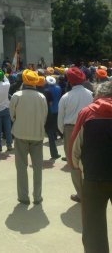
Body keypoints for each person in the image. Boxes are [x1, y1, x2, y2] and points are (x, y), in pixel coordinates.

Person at [70, 81, 112, 253]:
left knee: (94, 228)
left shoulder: (87, 113)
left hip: (93, 177)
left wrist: (78, 166)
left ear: (98, 95)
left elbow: (74, 148)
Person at [9, 70, 48, 205]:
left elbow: (12, 115)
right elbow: (44, 117)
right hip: (37, 135)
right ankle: (37, 197)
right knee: (38, 168)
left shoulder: (17, 95)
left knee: (21, 167)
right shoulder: (41, 97)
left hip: (20, 134)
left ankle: (23, 197)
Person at [58, 67, 93, 203]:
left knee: (73, 163)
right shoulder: (91, 94)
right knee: (88, 161)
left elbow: (60, 121)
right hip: (90, 128)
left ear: (70, 82)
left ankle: (80, 194)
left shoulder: (66, 97)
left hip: (70, 130)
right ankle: (90, 191)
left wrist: (65, 133)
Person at [44, 76, 62, 159]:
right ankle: (59, 135)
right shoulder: (58, 88)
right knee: (56, 123)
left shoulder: (47, 90)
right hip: (57, 108)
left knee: (51, 127)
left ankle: (54, 135)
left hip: (50, 110)